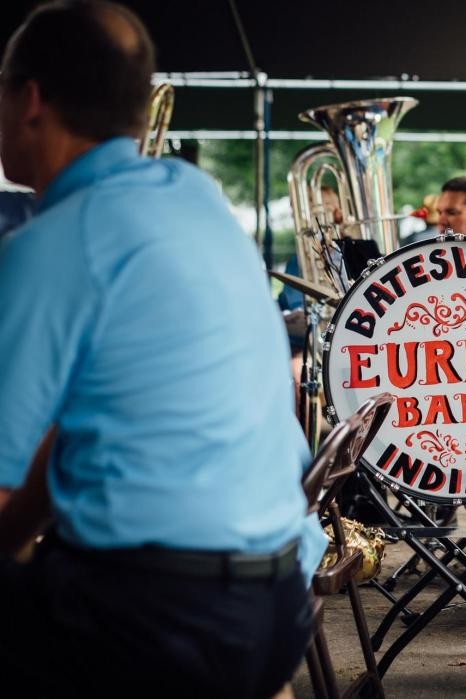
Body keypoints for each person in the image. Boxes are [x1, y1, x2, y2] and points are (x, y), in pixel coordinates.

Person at [0, 3, 315, 695]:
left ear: (28, 100)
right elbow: (73, 442)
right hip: (279, 605)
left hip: (155, 621)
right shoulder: (197, 199)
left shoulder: (50, 245)